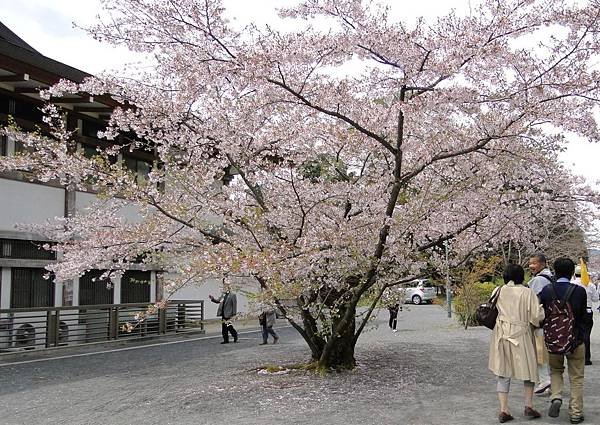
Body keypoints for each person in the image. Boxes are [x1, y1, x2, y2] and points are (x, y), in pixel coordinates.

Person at [488, 263, 545, 423]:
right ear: (521, 276)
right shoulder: (528, 293)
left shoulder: (498, 290)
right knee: (529, 370)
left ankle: (504, 409)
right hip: (522, 336)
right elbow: (536, 317)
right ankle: (528, 405)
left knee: (503, 372)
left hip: (502, 334)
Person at [538, 257, 587, 424]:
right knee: (576, 377)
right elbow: (583, 317)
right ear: (573, 272)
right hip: (576, 341)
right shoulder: (579, 291)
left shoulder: (546, 291)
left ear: (555, 272)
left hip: (553, 341)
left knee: (556, 371)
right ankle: (575, 413)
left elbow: (540, 315)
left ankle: (556, 397)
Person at [527, 253, 554, 395]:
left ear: (543, 264)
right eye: (530, 263)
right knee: (545, 352)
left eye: (534, 263)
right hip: (550, 321)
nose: (531, 266)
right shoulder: (551, 277)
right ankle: (549, 383)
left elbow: (533, 302)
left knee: (539, 352)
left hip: (540, 321)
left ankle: (545, 381)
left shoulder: (538, 280)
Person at [572, 265, 598, 366]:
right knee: (586, 335)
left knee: (574, 332)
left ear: (574, 274)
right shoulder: (590, 285)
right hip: (587, 311)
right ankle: (586, 358)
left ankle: (574, 355)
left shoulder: (572, 283)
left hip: (574, 311)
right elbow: (596, 299)